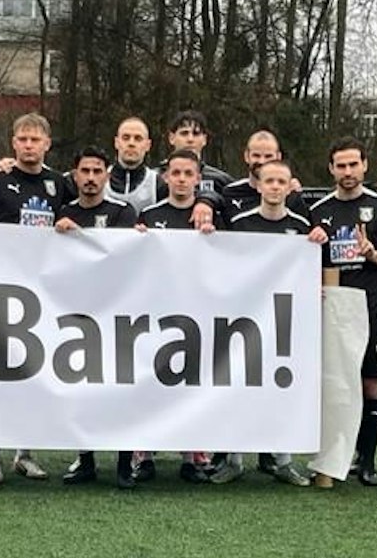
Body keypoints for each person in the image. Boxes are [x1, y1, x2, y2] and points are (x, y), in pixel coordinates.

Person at [0, 112, 72, 484]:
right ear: (13, 143)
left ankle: (25, 452)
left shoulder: (60, 184)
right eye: (22, 139)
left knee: (35, 373)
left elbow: (81, 223)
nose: (28, 145)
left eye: (35, 139)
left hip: (44, 294)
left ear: (47, 144)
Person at [308, 138, 377, 486]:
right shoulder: (318, 210)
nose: (347, 172)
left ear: (365, 165)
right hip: (332, 313)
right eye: (341, 165)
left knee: (370, 386)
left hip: (371, 310)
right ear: (331, 169)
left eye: (353, 164)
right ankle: (333, 457)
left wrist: (371, 254)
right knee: (333, 387)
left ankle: (365, 461)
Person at [227, 159, 329, 486]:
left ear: (290, 186)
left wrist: (318, 244)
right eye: (268, 180)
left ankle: (283, 460)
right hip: (244, 320)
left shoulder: (302, 226)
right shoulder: (240, 223)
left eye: (280, 181)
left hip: (286, 321)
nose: (273, 187)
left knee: (284, 386)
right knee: (239, 388)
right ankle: (233, 459)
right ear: (257, 185)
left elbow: (316, 270)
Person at [56, 146, 146, 488]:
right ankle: (87, 460)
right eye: (85, 172)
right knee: (81, 388)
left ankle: (125, 463)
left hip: (119, 313)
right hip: (78, 313)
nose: (91, 178)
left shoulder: (124, 212)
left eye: (97, 171)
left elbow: (119, 256)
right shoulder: (64, 212)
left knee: (120, 387)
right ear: (75, 176)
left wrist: (78, 235)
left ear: (107, 174)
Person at [142, 150, 226, 481]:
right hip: (156, 311)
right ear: (165, 177)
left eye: (187, 173)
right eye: (174, 173)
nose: (180, 179)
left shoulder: (211, 217)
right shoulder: (148, 215)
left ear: (197, 178)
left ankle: (192, 454)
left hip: (198, 310)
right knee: (153, 377)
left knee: (193, 380)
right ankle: (144, 450)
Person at [166, 110, 234, 196]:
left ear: (205, 139)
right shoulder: (156, 179)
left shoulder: (221, 181)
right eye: (184, 133)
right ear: (171, 138)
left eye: (196, 134)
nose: (190, 139)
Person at [107, 116, 163, 212]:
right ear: (116, 142)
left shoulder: (158, 184)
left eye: (138, 138)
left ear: (148, 145)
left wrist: (199, 201)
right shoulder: (99, 177)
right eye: (126, 138)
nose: (131, 143)